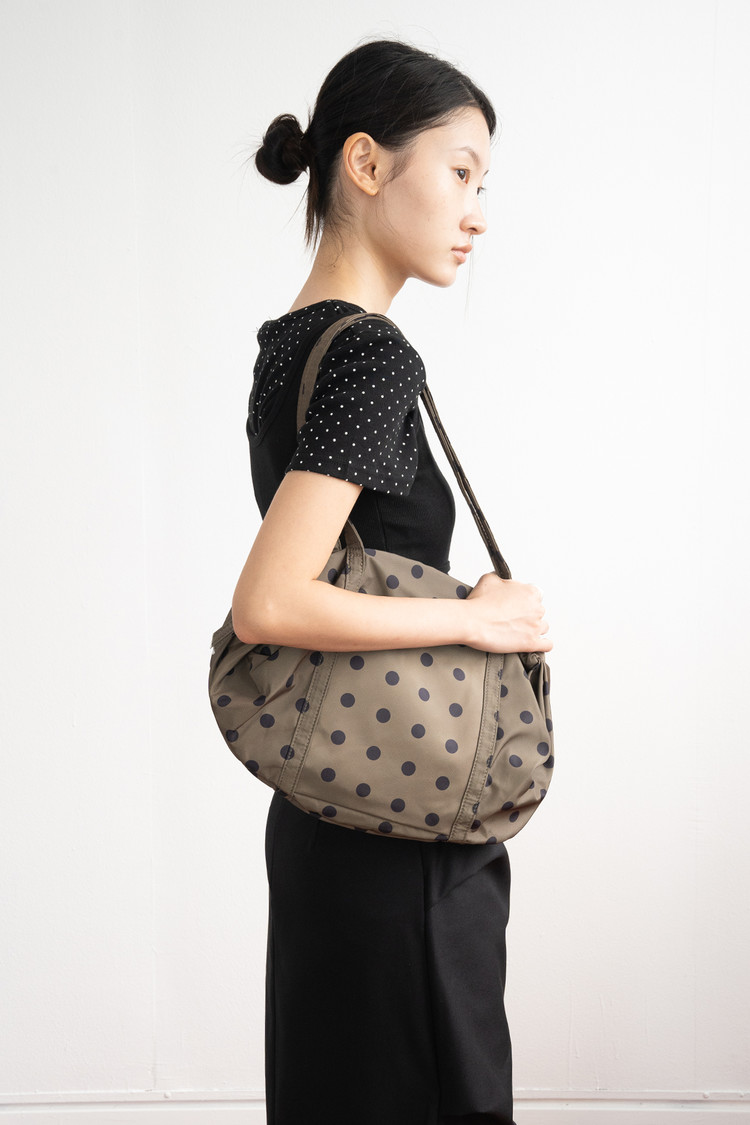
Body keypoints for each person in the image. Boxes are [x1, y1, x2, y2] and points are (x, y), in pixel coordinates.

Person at [231, 38, 552, 1125]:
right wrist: (478, 621)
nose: (477, 212)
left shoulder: (289, 347)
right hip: (402, 829)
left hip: (327, 810)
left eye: (483, 183)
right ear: (365, 164)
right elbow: (271, 602)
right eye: (460, 172)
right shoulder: (370, 354)